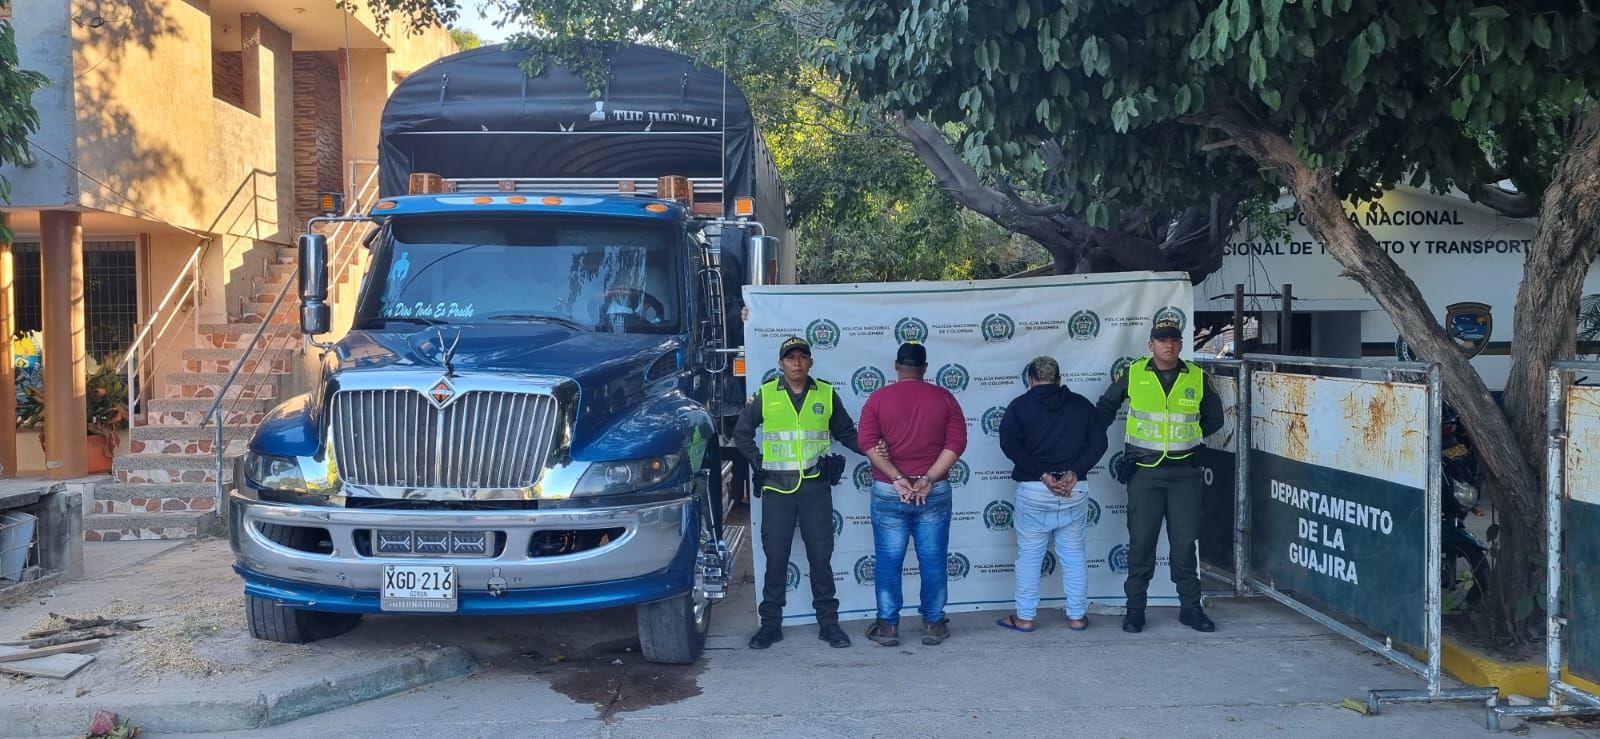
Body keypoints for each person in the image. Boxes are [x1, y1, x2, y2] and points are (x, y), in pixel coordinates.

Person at [1096, 317, 1225, 633]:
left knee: (1184, 545)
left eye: (1174, 339)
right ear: (1150, 344)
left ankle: (1190, 609)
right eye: (1162, 339)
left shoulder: (1195, 375)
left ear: (1181, 344)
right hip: (1145, 474)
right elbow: (1106, 407)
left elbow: (1214, 419)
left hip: (1184, 473)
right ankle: (1135, 610)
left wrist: (1190, 439)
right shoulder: (1135, 373)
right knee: (1142, 544)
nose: (1169, 344)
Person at [733, 336, 863, 650]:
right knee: (776, 558)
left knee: (821, 557)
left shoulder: (826, 393)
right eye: (790, 358)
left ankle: (829, 625)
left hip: (815, 489)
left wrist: (874, 450)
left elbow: (846, 433)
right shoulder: (765, 395)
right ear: (781, 364)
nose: (796, 363)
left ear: (810, 362)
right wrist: (758, 462)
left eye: (802, 357)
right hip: (778, 489)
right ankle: (770, 626)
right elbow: (741, 433)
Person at [857, 341, 968, 647]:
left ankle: (888, 626)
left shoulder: (878, 399)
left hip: (889, 492)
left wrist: (897, 479)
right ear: (925, 368)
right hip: (933, 493)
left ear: (896, 365)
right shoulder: (944, 399)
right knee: (932, 560)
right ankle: (933, 623)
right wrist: (928, 479)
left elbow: (866, 443)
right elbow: (956, 444)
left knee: (888, 560)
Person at [995, 355, 1108, 633]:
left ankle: (1024, 618)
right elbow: (1099, 443)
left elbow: (1010, 445)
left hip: (1034, 490)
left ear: (1031, 380)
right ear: (1059, 379)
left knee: (1030, 557)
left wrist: (1042, 474)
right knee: (1074, 556)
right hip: (1074, 489)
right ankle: (1077, 617)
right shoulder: (1082, 406)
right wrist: (1074, 472)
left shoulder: (1019, 406)